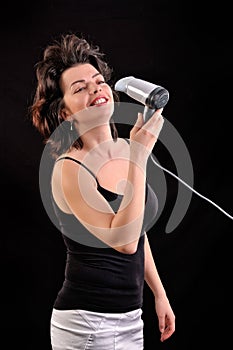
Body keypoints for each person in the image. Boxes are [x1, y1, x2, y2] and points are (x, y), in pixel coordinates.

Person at [29, 32, 175, 350]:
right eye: (80, 88)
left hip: (129, 317)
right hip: (88, 324)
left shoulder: (122, 154)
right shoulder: (69, 168)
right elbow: (122, 241)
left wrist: (159, 293)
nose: (95, 89)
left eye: (98, 81)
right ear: (65, 113)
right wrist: (139, 154)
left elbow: (136, 229)